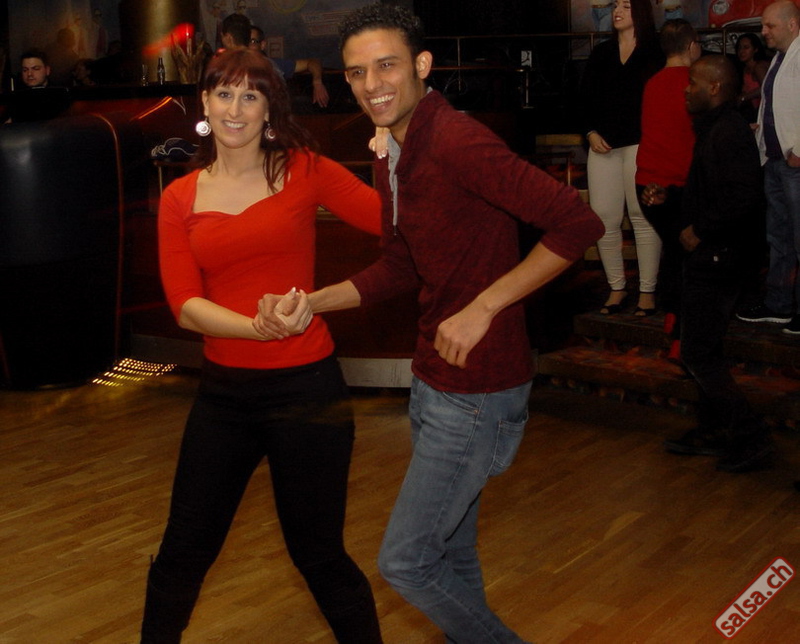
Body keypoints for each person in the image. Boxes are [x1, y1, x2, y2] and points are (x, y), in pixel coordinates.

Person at [257, 4, 603, 642]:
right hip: (434, 379)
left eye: (386, 65)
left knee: (408, 561)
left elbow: (577, 224)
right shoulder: (394, 147)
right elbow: (401, 264)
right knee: (451, 554)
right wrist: (311, 301)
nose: (371, 85)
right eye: (356, 73)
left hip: (478, 388)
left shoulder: (456, 140)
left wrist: (484, 307)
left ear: (421, 65)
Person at [140, 48, 383, 643]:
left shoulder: (305, 169)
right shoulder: (180, 197)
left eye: (251, 95)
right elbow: (185, 305)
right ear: (204, 102)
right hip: (224, 397)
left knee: (319, 556)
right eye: (224, 93)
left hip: (308, 390)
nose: (235, 109)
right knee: (181, 553)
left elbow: (395, 223)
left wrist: (397, 160)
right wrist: (258, 326)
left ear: (269, 108)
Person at [662, 55, 773, 472]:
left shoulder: (727, 132)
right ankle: (713, 430)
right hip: (715, 253)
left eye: (693, 82)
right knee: (703, 348)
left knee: (698, 352)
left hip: (721, 256)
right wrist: (672, 198)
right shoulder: (715, 128)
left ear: (713, 88)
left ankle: (750, 435)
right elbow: (713, 192)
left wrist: (701, 230)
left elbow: (744, 197)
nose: (686, 88)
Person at [580, 0, 664, 317]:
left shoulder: (655, 51)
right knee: (603, 218)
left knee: (642, 215)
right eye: (616, 5)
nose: (617, 10)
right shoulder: (602, 52)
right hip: (603, 145)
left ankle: (647, 291)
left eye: (626, 6)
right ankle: (617, 287)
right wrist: (589, 132)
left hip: (642, 143)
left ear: (640, 11)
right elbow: (583, 98)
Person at [637, 19, 701, 359]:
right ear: (691, 46)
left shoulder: (652, 83)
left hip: (648, 183)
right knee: (689, 257)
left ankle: (672, 317)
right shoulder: (694, 82)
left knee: (675, 252)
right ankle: (681, 336)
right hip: (678, 183)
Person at [736, 1, 800, 334]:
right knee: (779, 237)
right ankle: (779, 304)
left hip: (794, 163)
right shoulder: (779, 58)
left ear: (791, 24)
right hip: (776, 161)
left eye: (769, 26)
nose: (764, 32)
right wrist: (762, 133)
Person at [249, 25, 330, 107]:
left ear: (262, 45)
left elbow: (313, 62)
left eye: (252, 41)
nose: (248, 46)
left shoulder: (274, 65)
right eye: (245, 41)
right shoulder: (240, 71)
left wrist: (317, 83)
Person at [734, 32, 770, 123]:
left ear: (755, 49)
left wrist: (744, 97)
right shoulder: (745, 68)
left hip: (765, 111)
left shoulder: (759, 66)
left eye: (746, 47)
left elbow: (766, 88)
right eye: (739, 48)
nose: (741, 51)